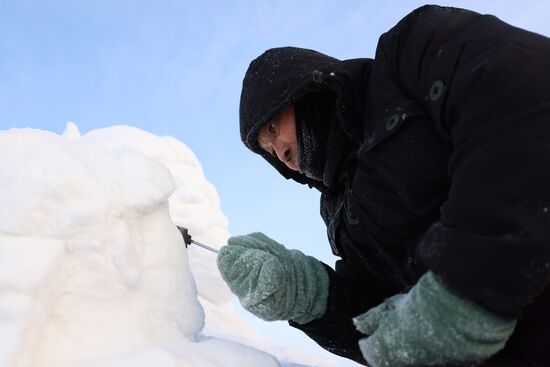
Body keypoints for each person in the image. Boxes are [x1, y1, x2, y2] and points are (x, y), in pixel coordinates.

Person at [216, 5, 550, 367]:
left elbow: (521, 91)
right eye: (267, 152)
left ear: (302, 86)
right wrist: (304, 293)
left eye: (271, 129)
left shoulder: (408, 55)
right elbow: (387, 332)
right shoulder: (341, 221)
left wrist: (468, 289)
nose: (278, 152)